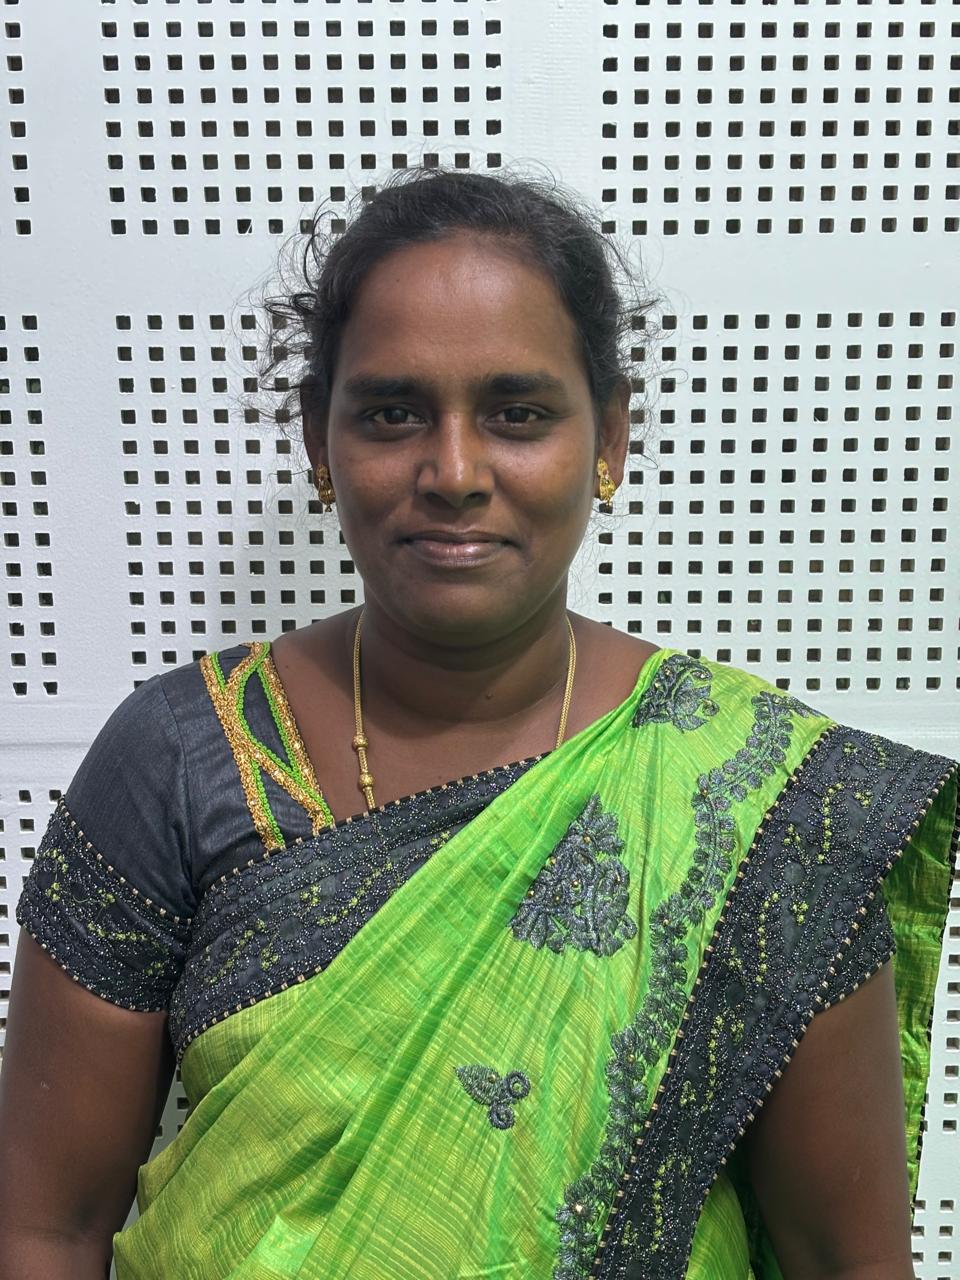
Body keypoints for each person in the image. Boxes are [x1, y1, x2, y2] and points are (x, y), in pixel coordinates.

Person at [0, 168, 956, 1280]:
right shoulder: (180, 755)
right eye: (392, 412)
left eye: (518, 414)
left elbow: (846, 1256)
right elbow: (47, 1226)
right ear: (319, 442)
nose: (453, 472)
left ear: (609, 437)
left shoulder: (762, 800)